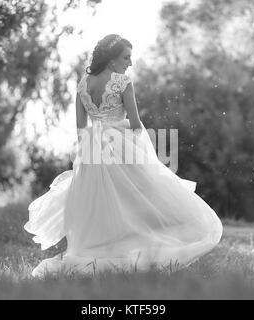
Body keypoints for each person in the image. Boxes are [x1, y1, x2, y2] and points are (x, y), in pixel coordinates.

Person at [24, 34, 223, 277]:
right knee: (139, 198)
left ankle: (98, 253)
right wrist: (137, 142)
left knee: (98, 205)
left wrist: (87, 152)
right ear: (111, 61)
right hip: (119, 146)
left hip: (91, 149)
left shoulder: (82, 85)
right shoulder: (122, 82)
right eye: (126, 57)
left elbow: (80, 128)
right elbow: (137, 124)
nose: (130, 63)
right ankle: (143, 245)